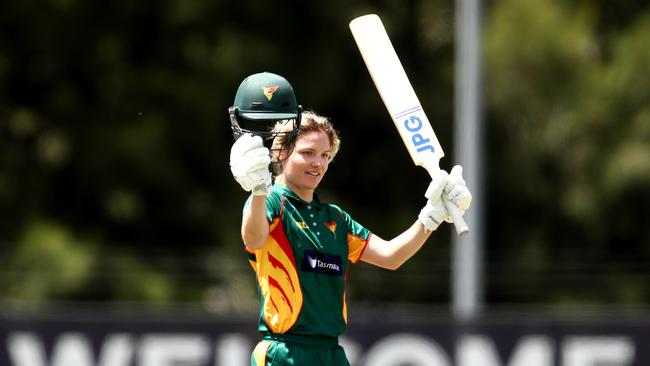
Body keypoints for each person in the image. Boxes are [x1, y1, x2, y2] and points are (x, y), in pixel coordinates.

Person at [228, 72, 472, 366]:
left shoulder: (336, 219)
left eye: (325, 155)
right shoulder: (272, 202)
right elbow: (253, 238)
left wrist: (431, 216)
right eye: (308, 153)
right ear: (281, 151)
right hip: (284, 353)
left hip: (332, 354)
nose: (318, 163)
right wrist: (257, 190)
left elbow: (391, 256)